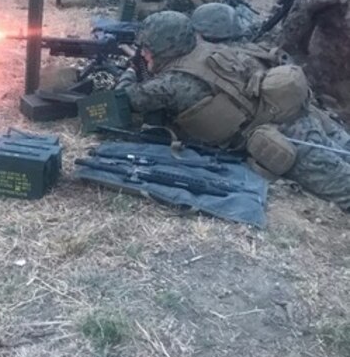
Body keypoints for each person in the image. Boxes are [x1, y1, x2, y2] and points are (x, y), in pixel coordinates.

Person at [115, 11, 350, 210]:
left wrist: (130, 70)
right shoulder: (209, 50)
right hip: (298, 116)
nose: (143, 54)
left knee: (344, 190)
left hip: (286, 139)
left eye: (146, 49)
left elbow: (123, 100)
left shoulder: (171, 84)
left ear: (163, 47)